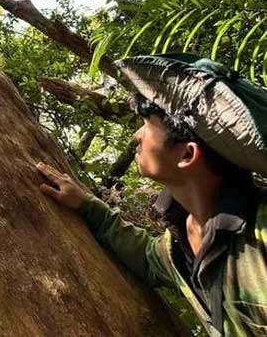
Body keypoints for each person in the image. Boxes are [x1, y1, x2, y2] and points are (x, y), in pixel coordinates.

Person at [37, 53, 267, 337]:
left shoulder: (260, 238)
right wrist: (87, 205)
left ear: (187, 154)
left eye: (147, 125)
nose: (137, 135)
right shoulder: (181, 240)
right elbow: (148, 257)